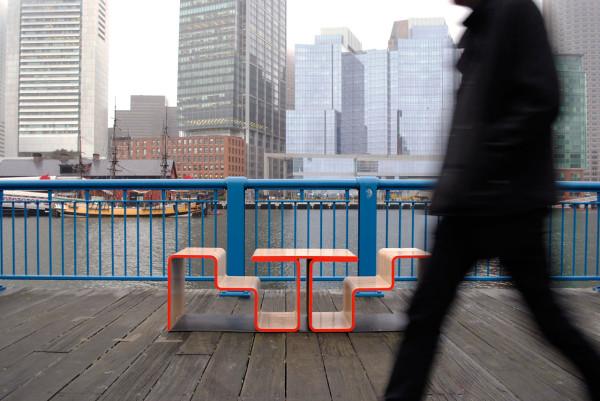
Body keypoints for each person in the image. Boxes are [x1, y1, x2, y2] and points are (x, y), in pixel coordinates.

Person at [384, 0, 600, 400]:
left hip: (510, 204)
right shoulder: (479, 25)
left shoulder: (517, 11)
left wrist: (487, 157)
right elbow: (472, 120)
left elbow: (543, 99)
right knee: (425, 313)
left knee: (546, 317)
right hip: (468, 204)